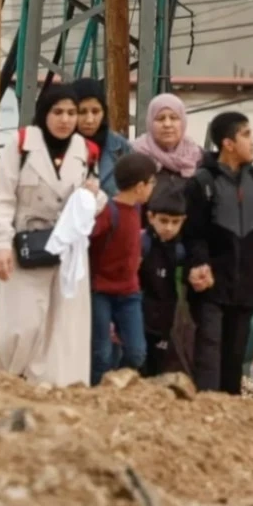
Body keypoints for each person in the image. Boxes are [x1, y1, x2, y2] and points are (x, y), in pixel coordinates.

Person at [0, 84, 105, 387]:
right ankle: (3, 383)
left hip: (67, 253)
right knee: (19, 326)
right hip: (24, 247)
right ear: (44, 113)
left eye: (71, 113)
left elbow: (97, 198)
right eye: (58, 112)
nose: (66, 120)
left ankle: (55, 392)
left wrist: (93, 197)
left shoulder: (86, 151)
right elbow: (0, 198)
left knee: (62, 330)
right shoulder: (22, 144)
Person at [182, 111, 253, 395]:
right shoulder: (201, 183)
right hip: (210, 289)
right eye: (247, 135)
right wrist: (199, 264)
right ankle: (206, 416)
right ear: (228, 143)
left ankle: (228, 424)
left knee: (233, 359)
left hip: (246, 289)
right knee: (209, 356)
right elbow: (192, 234)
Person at [88, 153, 157, 386]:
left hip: (129, 293)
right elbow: (88, 242)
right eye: (152, 183)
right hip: (101, 292)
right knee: (102, 354)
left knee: (137, 352)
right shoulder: (108, 212)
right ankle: (96, 396)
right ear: (140, 187)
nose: (153, 188)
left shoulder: (137, 211)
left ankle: (117, 387)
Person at [138, 187, 189, 377]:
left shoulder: (181, 252)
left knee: (157, 365)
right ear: (151, 217)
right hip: (140, 314)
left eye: (175, 222)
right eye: (164, 221)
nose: (169, 227)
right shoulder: (143, 244)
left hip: (165, 320)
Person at [133, 92, 203, 201]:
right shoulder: (135, 155)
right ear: (150, 122)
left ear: (183, 122)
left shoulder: (197, 157)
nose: (167, 124)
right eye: (160, 119)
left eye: (174, 118)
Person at [71, 78, 133, 196]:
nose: (90, 120)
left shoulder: (120, 147)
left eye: (95, 111)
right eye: (82, 112)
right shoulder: (58, 146)